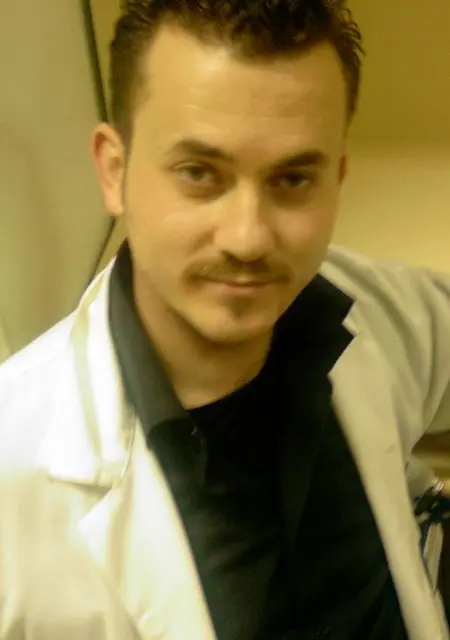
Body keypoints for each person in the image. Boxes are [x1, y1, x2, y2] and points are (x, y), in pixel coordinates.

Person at [0, 1, 449, 638]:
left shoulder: (365, 308)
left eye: (292, 179)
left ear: (336, 178)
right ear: (114, 170)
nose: (247, 238)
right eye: (199, 174)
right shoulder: (15, 470)